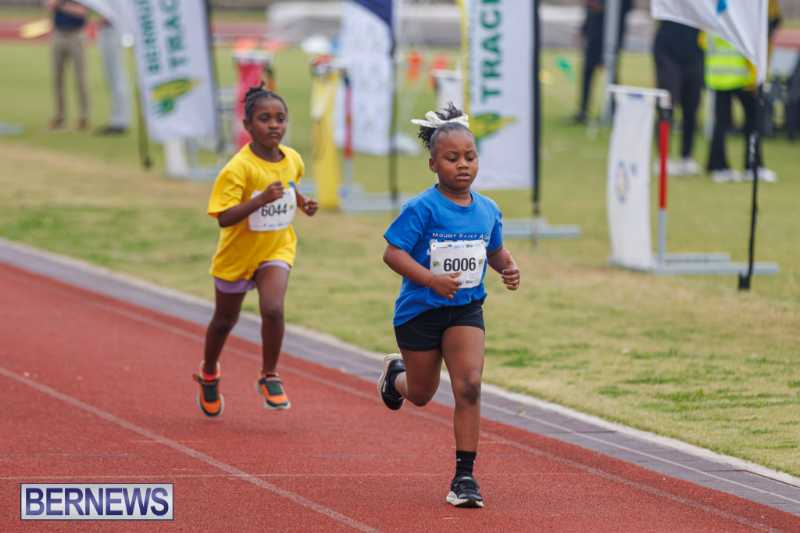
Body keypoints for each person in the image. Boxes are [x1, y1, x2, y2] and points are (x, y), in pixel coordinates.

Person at [377, 104, 520, 508]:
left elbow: (494, 251)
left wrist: (508, 267)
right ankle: (395, 378)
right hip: (420, 311)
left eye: (470, 157)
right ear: (432, 163)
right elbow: (393, 254)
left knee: (469, 385)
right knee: (421, 393)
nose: (462, 166)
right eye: (451, 158)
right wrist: (430, 279)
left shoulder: (488, 209)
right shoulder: (422, 208)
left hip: (464, 309)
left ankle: (464, 478)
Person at [194, 84, 318, 417]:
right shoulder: (238, 169)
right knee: (224, 320)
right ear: (248, 126)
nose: (274, 125)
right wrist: (260, 199)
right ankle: (209, 371)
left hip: (276, 247)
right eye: (265, 119)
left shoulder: (292, 158)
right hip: (237, 254)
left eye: (280, 118)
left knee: (274, 309)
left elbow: (292, 185)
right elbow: (224, 217)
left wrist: (303, 202)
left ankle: (269, 374)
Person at [703, 34, 777, 183]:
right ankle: (726, 166)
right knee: (731, 122)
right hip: (736, 76)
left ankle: (748, 165)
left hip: (729, 77)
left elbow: (703, 41)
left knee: (744, 121)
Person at [652, 21, 704, 176]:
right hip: (668, 49)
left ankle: (686, 156)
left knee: (692, 107)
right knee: (667, 105)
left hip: (694, 50)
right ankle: (663, 157)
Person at [573, 0, 633, 124]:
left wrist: (602, 6)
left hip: (612, 36)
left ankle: (613, 110)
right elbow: (590, 9)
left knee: (611, 74)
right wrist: (583, 29)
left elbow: (626, 8)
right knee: (587, 72)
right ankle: (583, 111)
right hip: (594, 35)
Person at [46, 0, 90, 130]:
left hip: (76, 35)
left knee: (80, 79)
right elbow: (49, 5)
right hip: (58, 34)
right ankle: (60, 117)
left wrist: (62, 5)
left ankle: (84, 116)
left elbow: (81, 12)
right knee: (57, 79)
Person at [95, 11, 131, 135]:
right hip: (107, 29)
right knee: (112, 77)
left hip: (113, 29)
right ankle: (117, 119)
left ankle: (120, 121)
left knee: (117, 76)